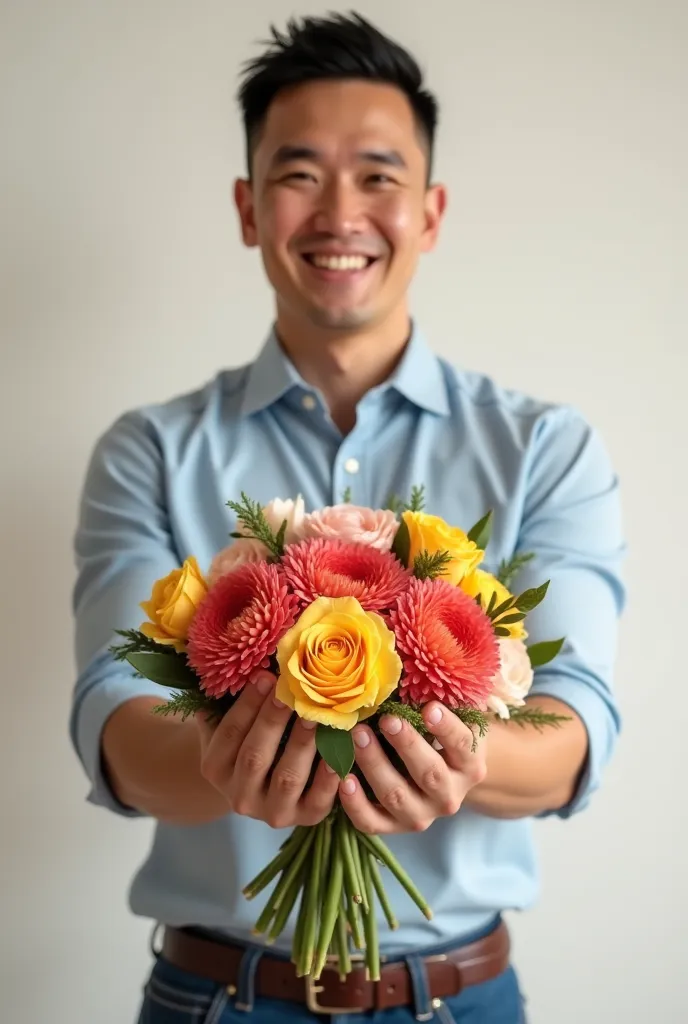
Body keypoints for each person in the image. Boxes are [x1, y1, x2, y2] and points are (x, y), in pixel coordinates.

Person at [69, 12, 625, 1024]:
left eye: (377, 174)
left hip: (459, 997)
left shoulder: (546, 448)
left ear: (432, 209)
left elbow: (578, 721)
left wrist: (453, 756)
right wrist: (224, 755)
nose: (339, 213)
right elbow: (112, 715)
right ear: (247, 207)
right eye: (297, 174)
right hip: (212, 997)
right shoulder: (148, 451)